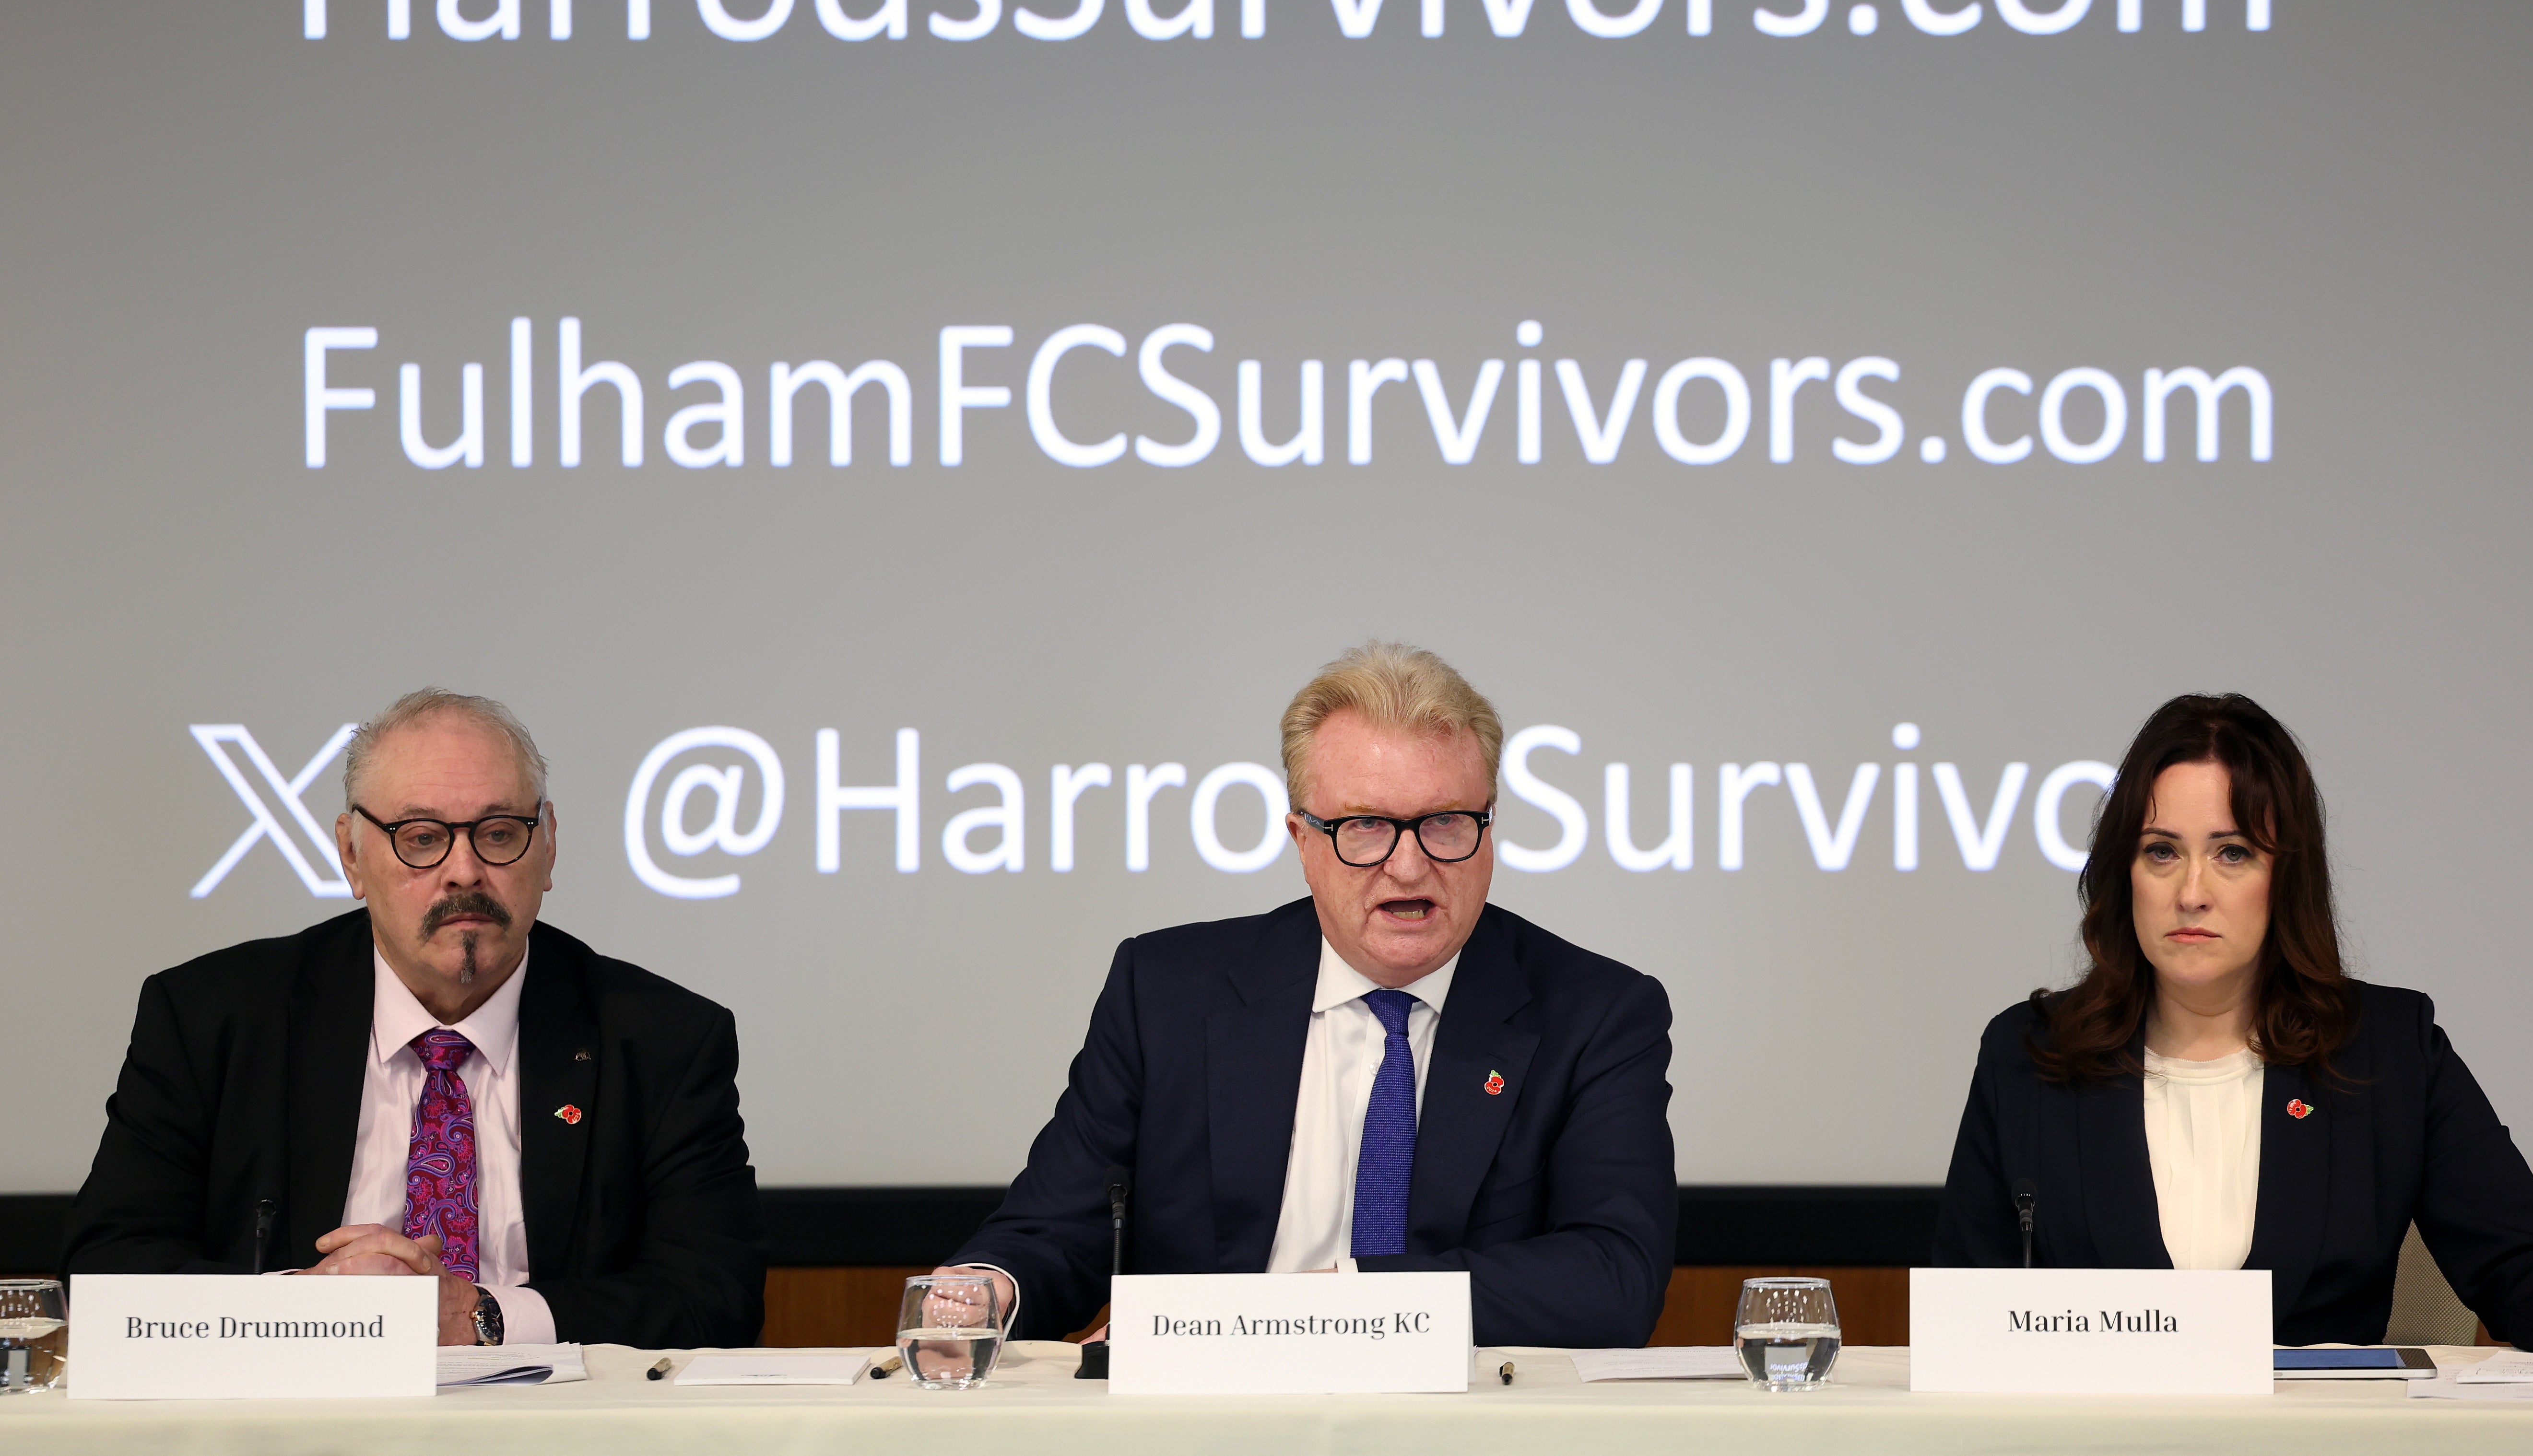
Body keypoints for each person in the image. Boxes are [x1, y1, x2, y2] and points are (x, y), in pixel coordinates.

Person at [937, 642, 1677, 1346]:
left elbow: (1612, 1278)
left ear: (1489, 829)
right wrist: (990, 1289)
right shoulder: (1168, 992)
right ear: (1302, 840)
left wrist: (1326, 1308)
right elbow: (1054, 1229)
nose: (1409, 868)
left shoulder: (1595, 1014)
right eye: (1365, 827)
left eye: (1446, 823)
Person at [1934, 693, 2533, 1361]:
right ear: (2120, 874)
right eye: (2161, 852)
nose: (2191, 892)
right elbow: (1962, 1317)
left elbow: (2519, 1263)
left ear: (2284, 878)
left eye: (2232, 853)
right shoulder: (2030, 1054)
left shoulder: (2388, 1049)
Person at [66, 690, 766, 1348]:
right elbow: (107, 1271)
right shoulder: (213, 1018)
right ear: (351, 854)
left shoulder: (661, 1039)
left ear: (547, 845)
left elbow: (716, 1297)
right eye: (422, 837)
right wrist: (304, 1310)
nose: (464, 871)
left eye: (498, 833)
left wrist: (481, 1317)